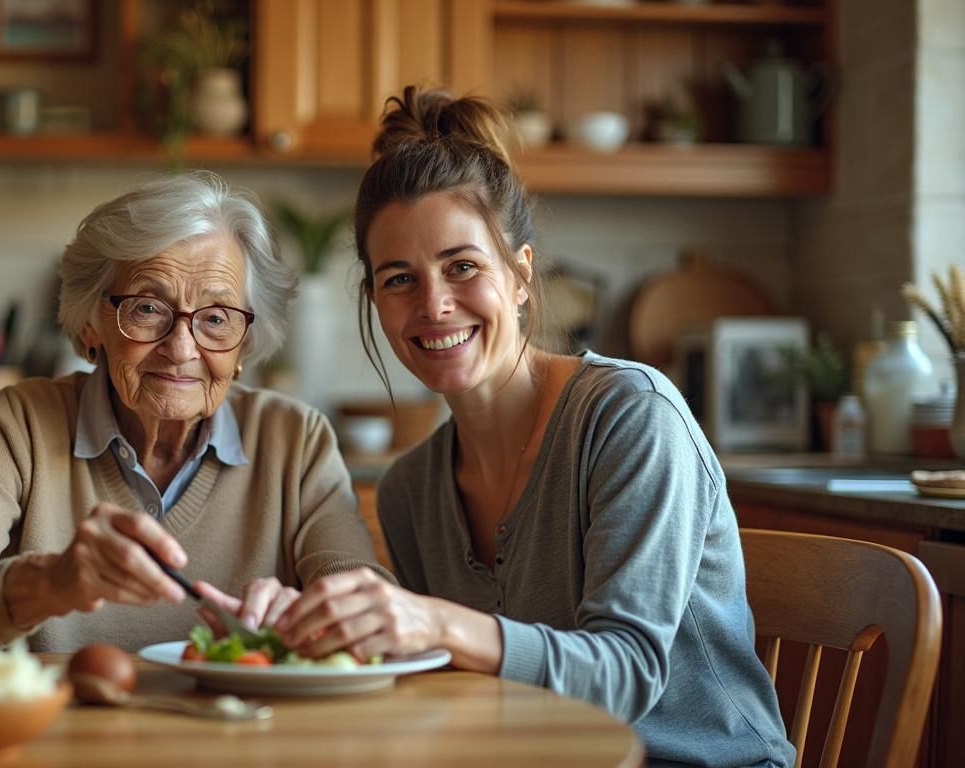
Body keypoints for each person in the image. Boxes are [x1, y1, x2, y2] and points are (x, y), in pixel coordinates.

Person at [271, 88, 795, 767]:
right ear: (375, 300)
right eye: (399, 279)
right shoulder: (409, 490)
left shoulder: (631, 417)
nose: (433, 305)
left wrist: (433, 623)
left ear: (520, 275)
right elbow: (453, 688)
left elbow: (626, 674)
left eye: (462, 267)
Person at [0, 171, 390, 652]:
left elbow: (373, 611)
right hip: (58, 740)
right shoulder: (20, 427)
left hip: (243, 737)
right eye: (147, 308)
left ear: (244, 346)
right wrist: (49, 583)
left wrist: (314, 613)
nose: (182, 349)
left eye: (215, 318)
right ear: (91, 325)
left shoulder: (296, 442)